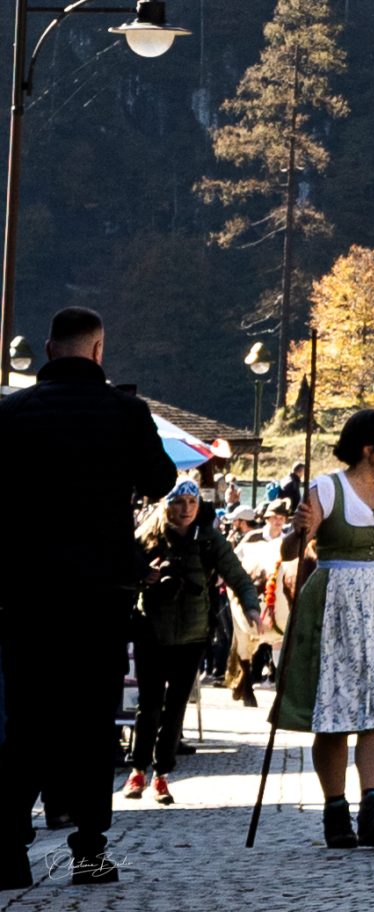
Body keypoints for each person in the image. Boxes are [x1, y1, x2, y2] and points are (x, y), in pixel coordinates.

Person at [0, 307, 176, 888]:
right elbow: (159, 482)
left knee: (26, 717)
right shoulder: (125, 412)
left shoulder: (12, 412)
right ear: (98, 351)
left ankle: (8, 849)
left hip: (26, 587)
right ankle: (89, 850)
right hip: (102, 589)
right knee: (91, 717)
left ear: (49, 350)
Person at [278, 410, 374, 848]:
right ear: (369, 448)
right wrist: (298, 530)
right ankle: (334, 812)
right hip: (335, 603)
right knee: (332, 714)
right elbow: (291, 549)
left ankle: (373, 808)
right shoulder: (327, 488)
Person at [124, 479, 259, 805]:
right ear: (165, 505)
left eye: (191, 503)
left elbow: (237, 574)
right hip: (151, 631)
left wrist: (252, 605)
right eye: (178, 502)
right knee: (150, 706)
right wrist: (144, 576)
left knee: (175, 709)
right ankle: (138, 769)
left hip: (193, 634)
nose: (185, 510)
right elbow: (122, 571)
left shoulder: (209, 540)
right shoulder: (146, 537)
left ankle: (162, 775)